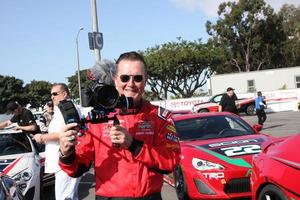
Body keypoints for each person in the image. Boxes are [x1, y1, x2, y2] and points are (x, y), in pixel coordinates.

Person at [58, 51, 181, 200]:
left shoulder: (160, 116)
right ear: (115, 79)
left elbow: (171, 162)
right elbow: (77, 168)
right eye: (124, 78)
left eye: (137, 78)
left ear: (145, 81)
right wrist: (67, 153)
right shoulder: (96, 118)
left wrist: (134, 145)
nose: (130, 84)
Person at [33, 83, 81, 200]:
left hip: (67, 161)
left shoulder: (69, 109)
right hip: (62, 162)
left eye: (55, 94)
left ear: (64, 94)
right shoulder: (62, 110)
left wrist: (42, 137)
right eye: (51, 94)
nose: (52, 97)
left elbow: (68, 133)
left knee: (65, 197)